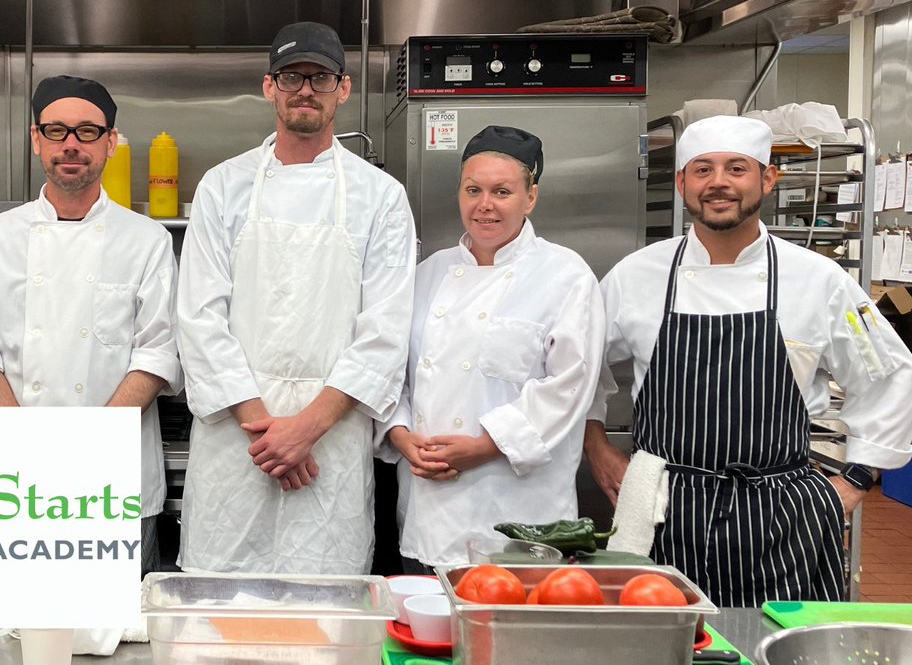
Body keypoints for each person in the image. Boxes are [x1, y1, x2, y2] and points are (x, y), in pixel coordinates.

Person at [584, 115, 912, 607]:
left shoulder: (819, 281)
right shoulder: (636, 276)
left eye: (736, 168)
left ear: (767, 179)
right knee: (663, 645)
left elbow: (889, 373)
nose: (718, 183)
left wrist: (859, 477)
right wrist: (596, 447)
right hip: (665, 509)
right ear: (681, 183)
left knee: (779, 647)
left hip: (782, 515)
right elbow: (579, 369)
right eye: (702, 170)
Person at [176, 21, 417, 574]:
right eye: (291, 76)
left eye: (320, 77)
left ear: (343, 88)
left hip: (328, 441)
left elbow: (385, 331)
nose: (305, 89)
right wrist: (268, 431)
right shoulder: (222, 185)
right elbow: (198, 318)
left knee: (325, 614)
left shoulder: (380, 196)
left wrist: (305, 429)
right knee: (222, 614)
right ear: (270, 87)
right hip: (239, 441)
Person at [0, 75, 181, 573]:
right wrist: (29, 445)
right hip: (14, 476)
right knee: (17, 633)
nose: (71, 144)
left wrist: (87, 444)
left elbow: (157, 352)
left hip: (113, 472)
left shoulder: (147, 240)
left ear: (110, 143)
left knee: (122, 632)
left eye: (88, 132)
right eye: (56, 131)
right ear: (36, 140)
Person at [377, 126, 605, 572]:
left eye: (502, 191)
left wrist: (485, 446)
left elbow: (569, 386)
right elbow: (391, 369)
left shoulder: (565, 275)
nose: (485, 205)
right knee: (428, 634)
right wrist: (400, 434)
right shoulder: (428, 274)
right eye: (473, 190)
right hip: (430, 508)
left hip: (519, 514)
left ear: (531, 197)